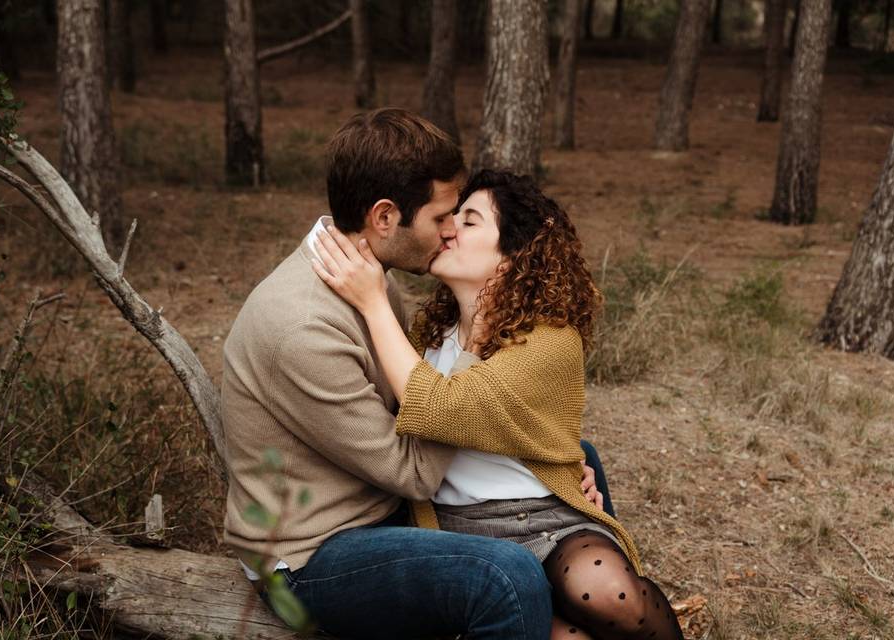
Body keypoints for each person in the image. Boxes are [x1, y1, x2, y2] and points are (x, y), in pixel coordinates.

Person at [222, 109, 607, 639]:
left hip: (381, 504)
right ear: (385, 217)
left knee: (572, 457)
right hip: (314, 552)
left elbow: (412, 410)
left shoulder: (371, 276)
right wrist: (473, 344)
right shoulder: (304, 327)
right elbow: (415, 472)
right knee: (505, 576)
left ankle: (587, 612)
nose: (450, 231)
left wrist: (559, 467)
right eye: (441, 216)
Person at [312, 169, 685, 639]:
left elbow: (443, 409)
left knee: (610, 592)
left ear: (511, 256)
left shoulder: (549, 340)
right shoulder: (430, 336)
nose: (448, 229)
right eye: (451, 218)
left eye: (469, 222)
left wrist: (372, 303)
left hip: (547, 516)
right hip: (461, 533)